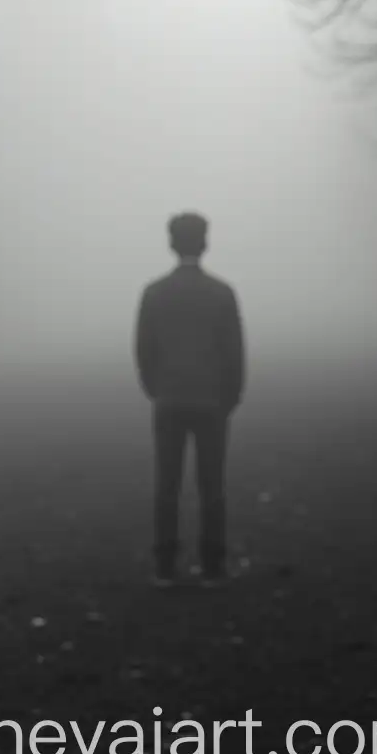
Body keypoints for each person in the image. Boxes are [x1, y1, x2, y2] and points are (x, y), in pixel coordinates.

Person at [133, 212, 245, 588]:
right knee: (212, 484)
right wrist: (229, 397)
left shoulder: (154, 292)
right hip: (212, 399)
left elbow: (143, 350)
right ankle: (212, 565)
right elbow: (235, 353)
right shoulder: (222, 292)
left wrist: (156, 389)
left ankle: (165, 565)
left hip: (169, 398)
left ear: (171, 242)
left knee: (167, 483)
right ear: (205, 242)